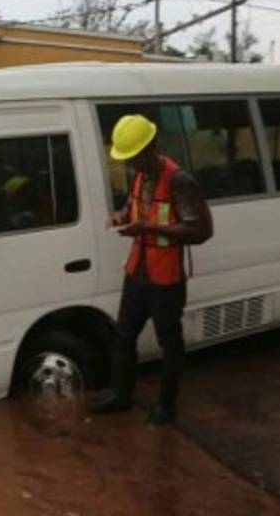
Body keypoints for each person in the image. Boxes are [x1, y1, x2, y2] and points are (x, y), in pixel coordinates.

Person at [88, 114, 212, 425]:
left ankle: (166, 407)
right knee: (123, 336)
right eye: (126, 158)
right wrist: (121, 217)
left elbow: (200, 232)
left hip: (166, 280)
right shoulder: (140, 177)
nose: (130, 164)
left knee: (169, 344)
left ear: (150, 148)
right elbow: (133, 210)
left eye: (134, 157)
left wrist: (149, 227)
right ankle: (121, 395)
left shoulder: (179, 181)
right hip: (138, 274)